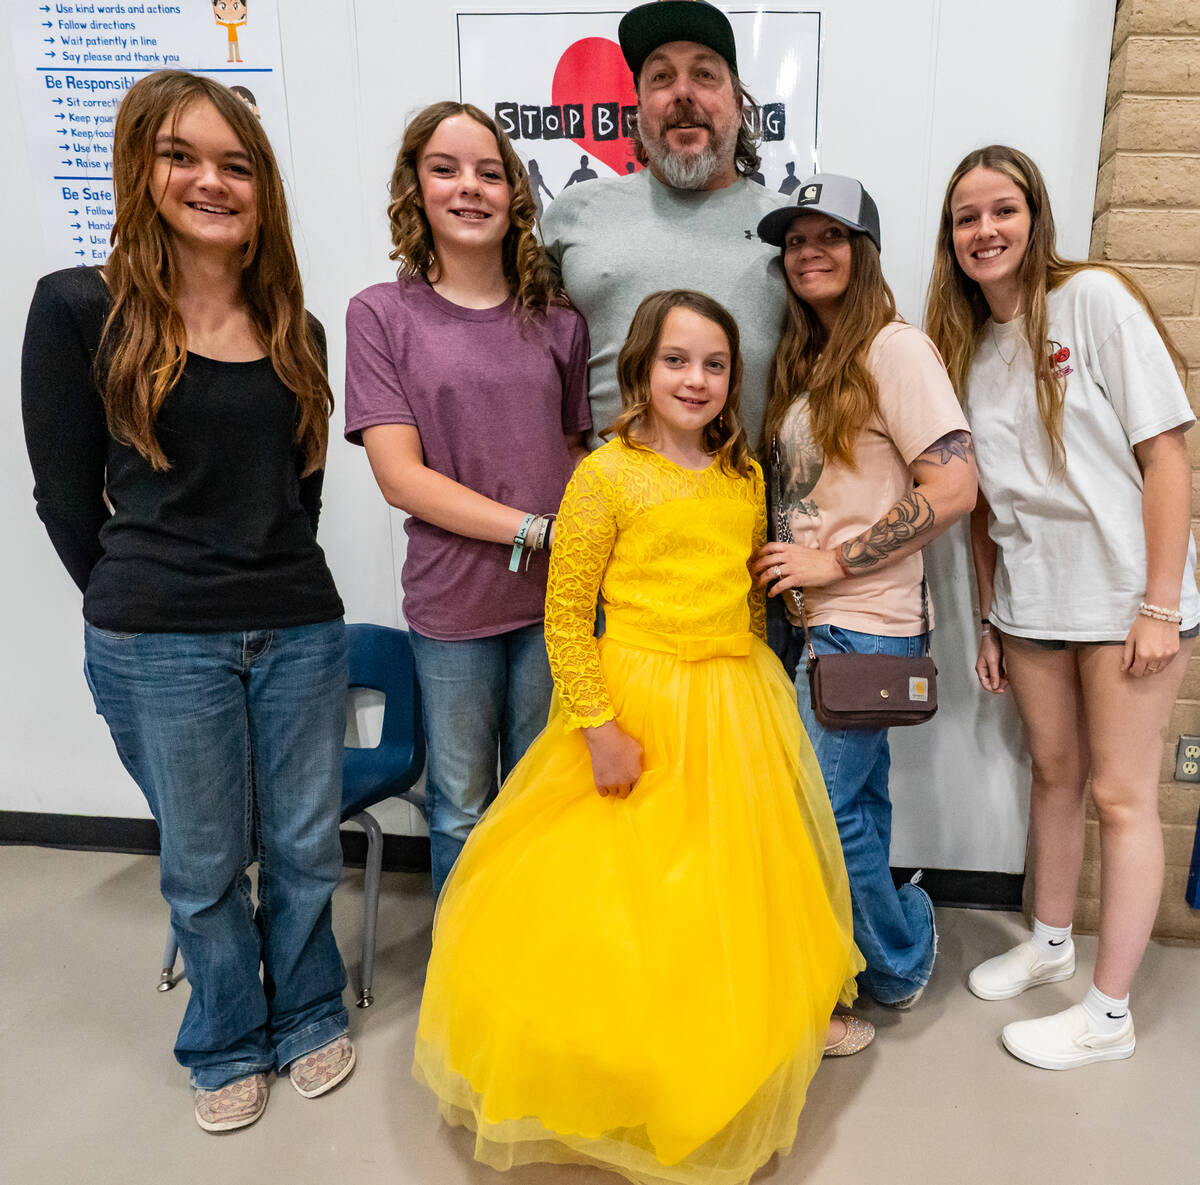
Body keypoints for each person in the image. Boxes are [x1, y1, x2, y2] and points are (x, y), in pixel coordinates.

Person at [414, 289, 867, 1185]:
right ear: (641, 368)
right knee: (622, 895)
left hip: (734, 698)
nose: (694, 379)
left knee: (729, 883)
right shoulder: (606, 474)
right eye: (675, 360)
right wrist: (598, 726)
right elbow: (565, 615)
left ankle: (734, 1037)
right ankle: (625, 1068)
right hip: (634, 701)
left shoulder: (742, 476)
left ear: (734, 379)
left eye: (713, 364)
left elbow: (740, 593)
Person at [21, 70, 353, 1132]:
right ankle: (224, 1037)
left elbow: (299, 494)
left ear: (263, 190)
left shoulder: (290, 326)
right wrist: (137, 598)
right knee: (205, 864)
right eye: (183, 156)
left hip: (299, 625)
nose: (211, 181)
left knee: (304, 846)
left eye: (236, 164)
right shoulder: (80, 307)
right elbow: (67, 497)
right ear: (141, 166)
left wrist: (261, 583)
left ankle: (306, 1012)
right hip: (159, 640)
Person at [925, 145, 1198, 1069]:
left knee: (1122, 798)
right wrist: (992, 615)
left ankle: (1108, 1015)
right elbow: (983, 506)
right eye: (967, 217)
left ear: (1035, 217)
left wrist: (1161, 604)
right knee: (1053, 774)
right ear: (951, 238)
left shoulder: (1096, 303)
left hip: (1126, 598)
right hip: (1036, 600)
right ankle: (1049, 944)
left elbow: (1168, 455)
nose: (985, 231)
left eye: (1002, 210)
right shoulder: (965, 343)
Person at [344, 101, 591, 895]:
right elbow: (400, 476)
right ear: (414, 189)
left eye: (489, 171)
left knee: (538, 795)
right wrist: (535, 528)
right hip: (454, 602)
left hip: (554, 597)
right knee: (460, 805)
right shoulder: (381, 316)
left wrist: (590, 542)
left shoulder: (557, 321)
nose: (469, 188)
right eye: (445, 169)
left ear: (514, 193)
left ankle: (528, 967)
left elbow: (577, 449)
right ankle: (464, 981)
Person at [750, 174, 977, 1010]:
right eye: (796, 240)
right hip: (817, 628)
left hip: (866, 623)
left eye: (830, 236)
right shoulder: (809, 359)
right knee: (860, 798)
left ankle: (898, 958)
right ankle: (877, 941)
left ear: (864, 250)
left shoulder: (894, 349)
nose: (809, 252)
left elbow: (953, 488)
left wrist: (832, 562)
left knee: (824, 808)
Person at [540, 0, 791, 446]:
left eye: (704, 75)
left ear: (737, 103)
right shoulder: (574, 214)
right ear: (639, 106)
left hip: (746, 509)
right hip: (605, 509)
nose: (682, 92)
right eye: (660, 78)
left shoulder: (787, 228)